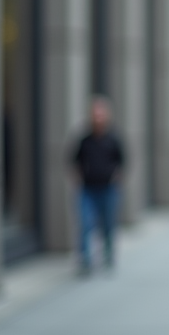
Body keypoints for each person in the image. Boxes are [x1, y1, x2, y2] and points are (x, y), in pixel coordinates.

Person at [71, 95, 124, 275]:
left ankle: (108, 253)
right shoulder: (84, 140)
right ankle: (86, 260)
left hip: (108, 189)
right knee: (86, 223)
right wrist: (79, 178)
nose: (98, 118)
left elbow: (122, 161)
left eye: (101, 114)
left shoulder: (113, 139)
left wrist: (116, 177)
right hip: (88, 189)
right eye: (95, 114)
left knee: (108, 224)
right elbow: (74, 161)